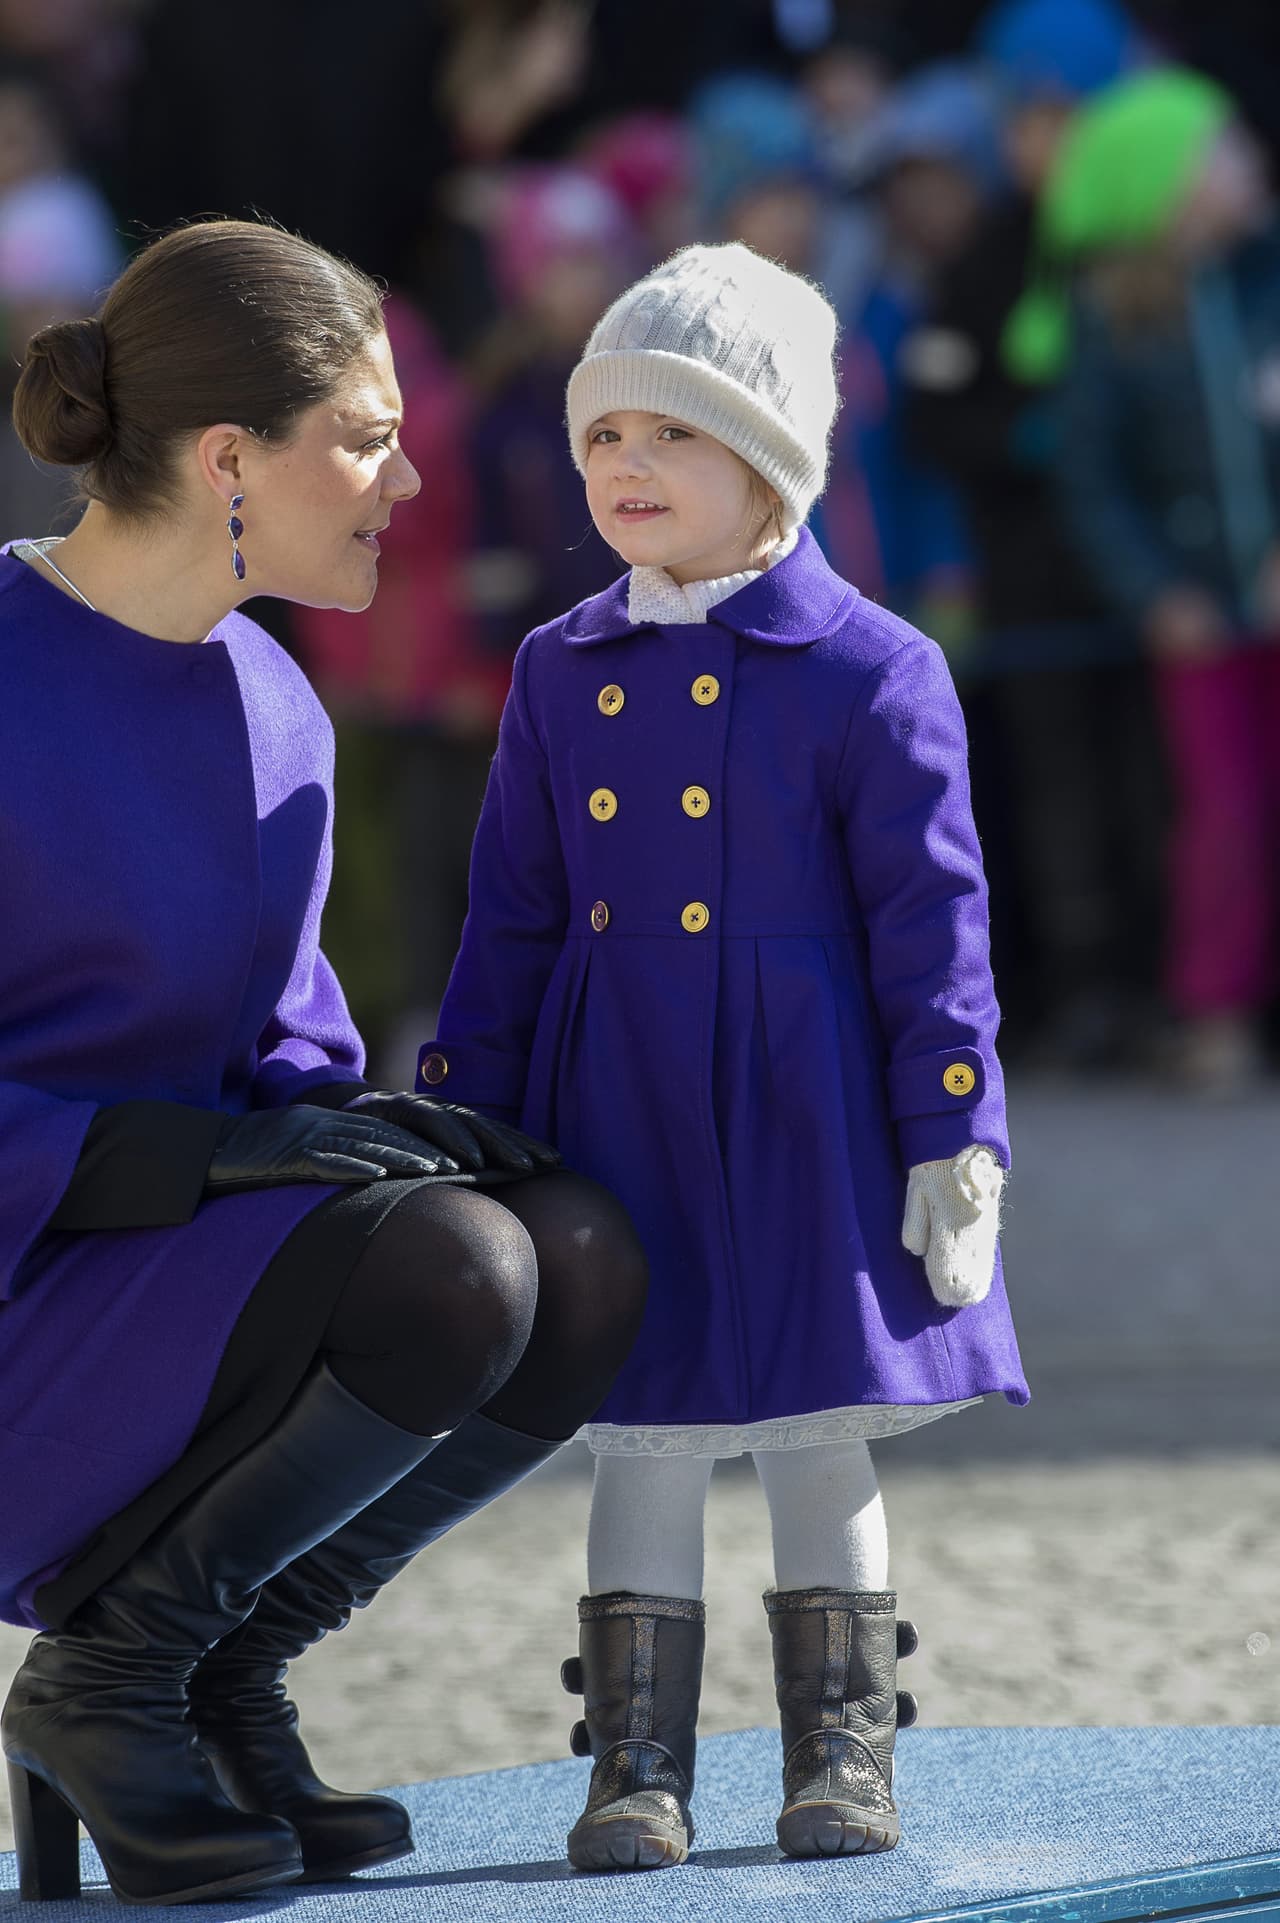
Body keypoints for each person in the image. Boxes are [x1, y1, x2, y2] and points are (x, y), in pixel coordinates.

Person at [0, 217, 648, 1907]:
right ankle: (106, 1684)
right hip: (27, 1288)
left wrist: (371, 1121)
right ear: (229, 456)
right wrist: (174, 1157)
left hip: (158, 1279)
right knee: (449, 1271)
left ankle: (210, 1672)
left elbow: (282, 1062)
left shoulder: (278, 701)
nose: (408, 479)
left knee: (569, 1249)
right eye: (365, 436)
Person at [422, 242, 1027, 1869]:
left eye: (674, 433)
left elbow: (930, 919)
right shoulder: (560, 670)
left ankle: (843, 1743)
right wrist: (464, 1110)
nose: (625, 464)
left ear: (774, 460)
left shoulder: (874, 667)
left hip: (805, 1092)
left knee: (816, 1418)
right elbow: (515, 915)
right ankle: (635, 1758)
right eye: (605, 433)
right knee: (643, 1419)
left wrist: (953, 1130)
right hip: (618, 1090)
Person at [1012, 69, 1280, 1092]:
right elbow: (1090, 479)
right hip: (1200, 621)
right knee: (1223, 817)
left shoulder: (1263, 280)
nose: (1249, 165)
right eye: (1223, 152)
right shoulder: (1110, 316)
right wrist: (1154, 591)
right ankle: (1211, 1008)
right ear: (1161, 181)